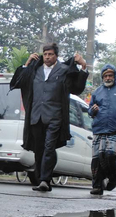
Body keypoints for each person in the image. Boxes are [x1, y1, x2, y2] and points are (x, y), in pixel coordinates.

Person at [10, 43, 89, 192]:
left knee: (49, 147)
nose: (47, 57)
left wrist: (83, 66)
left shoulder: (64, 70)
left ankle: (45, 180)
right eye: (45, 54)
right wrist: (27, 64)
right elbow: (18, 82)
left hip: (55, 117)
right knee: (39, 150)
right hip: (36, 116)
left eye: (50, 54)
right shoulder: (35, 70)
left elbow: (77, 88)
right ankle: (41, 179)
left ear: (56, 56)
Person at [87, 64, 116, 195]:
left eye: (110, 75)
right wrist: (92, 110)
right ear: (103, 77)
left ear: (115, 76)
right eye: (106, 76)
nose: (108, 78)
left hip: (114, 128)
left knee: (110, 156)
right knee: (96, 159)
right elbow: (90, 111)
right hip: (99, 128)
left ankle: (113, 177)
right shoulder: (97, 92)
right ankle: (97, 186)